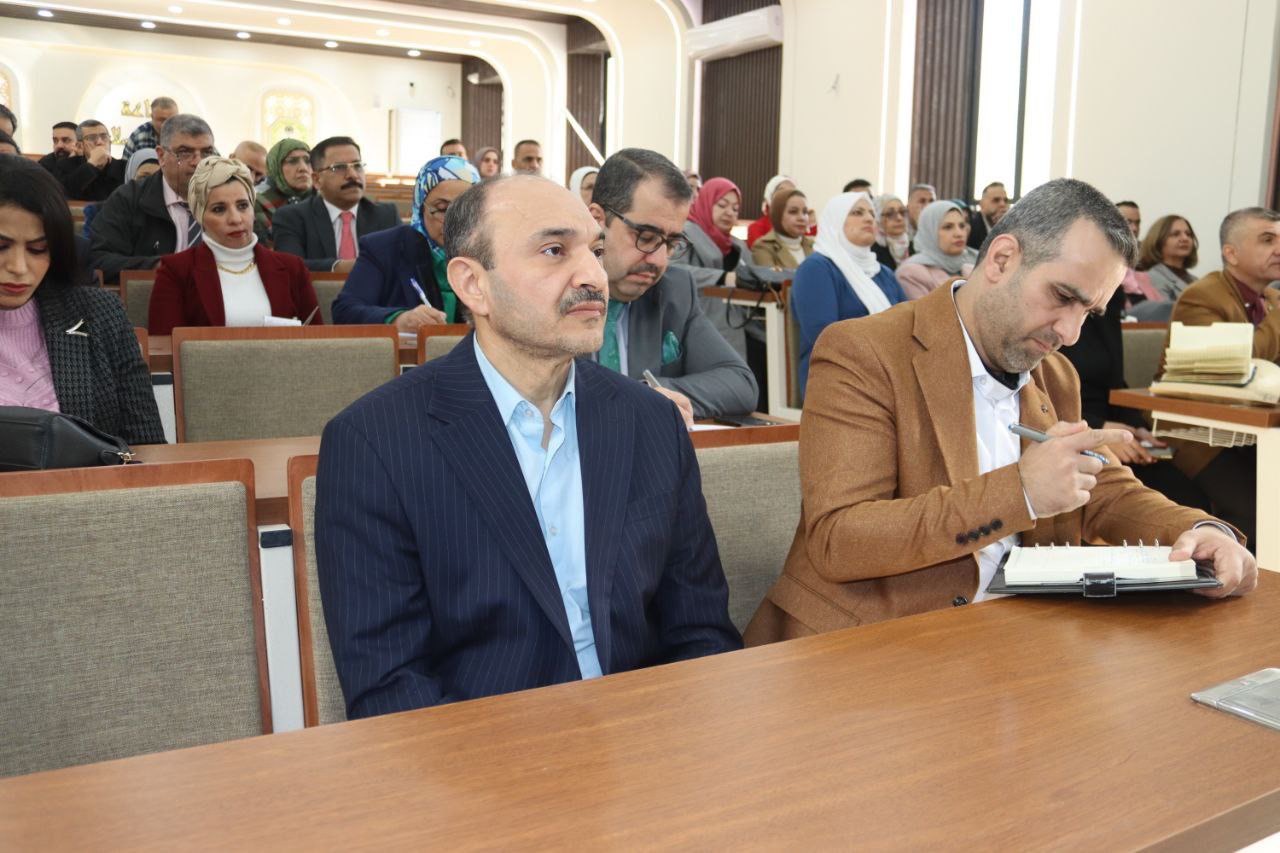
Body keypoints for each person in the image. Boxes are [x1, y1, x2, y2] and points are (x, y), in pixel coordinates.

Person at [742, 178, 1256, 644]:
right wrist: (1021, 492)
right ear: (1002, 259)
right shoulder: (865, 351)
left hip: (1012, 639)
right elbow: (841, 539)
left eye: (1089, 312)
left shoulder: (1056, 374)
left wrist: (1205, 532)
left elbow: (1100, 487)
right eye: (1062, 296)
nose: (1070, 333)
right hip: (869, 643)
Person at [314, 173, 742, 718]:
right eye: (554, 251)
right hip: (481, 749)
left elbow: (702, 634)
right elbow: (390, 687)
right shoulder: (375, 443)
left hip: (646, 734)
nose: (593, 276)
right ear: (473, 285)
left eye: (595, 251)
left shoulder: (651, 422)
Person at [0, 155, 164, 444]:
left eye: (38, 249)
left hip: (93, 474)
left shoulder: (99, 314)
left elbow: (147, 444)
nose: (18, 267)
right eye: (1, 246)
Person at [589, 148, 757, 420]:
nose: (659, 260)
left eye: (671, 243)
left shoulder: (674, 291)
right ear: (597, 220)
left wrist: (649, 394)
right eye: (645, 237)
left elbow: (740, 383)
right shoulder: (553, 291)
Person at [1164, 206, 1280, 549]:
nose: (1279, 249)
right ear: (1231, 253)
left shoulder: (1270, 299)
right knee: (1258, 512)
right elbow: (1240, 363)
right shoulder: (1201, 296)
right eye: (1267, 240)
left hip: (1255, 430)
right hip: (1199, 432)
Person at [1059, 287, 1212, 509]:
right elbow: (1035, 394)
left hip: (1115, 434)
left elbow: (1113, 381)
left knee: (1190, 498)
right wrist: (1099, 430)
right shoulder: (1058, 301)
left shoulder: (1109, 296)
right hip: (1070, 436)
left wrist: (1135, 428)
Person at [149, 157, 321, 335]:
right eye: (219, 209)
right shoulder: (176, 271)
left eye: (243, 206)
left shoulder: (293, 268)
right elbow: (164, 344)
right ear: (200, 216)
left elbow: (318, 340)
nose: (236, 219)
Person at [674, 176, 788, 409]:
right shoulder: (686, 235)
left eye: (735, 208)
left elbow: (752, 275)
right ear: (706, 202)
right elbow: (674, 271)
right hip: (700, 324)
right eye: (722, 205)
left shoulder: (737, 245)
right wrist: (724, 278)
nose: (729, 213)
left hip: (738, 327)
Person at [331, 155, 479, 328]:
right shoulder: (383, 248)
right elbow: (345, 311)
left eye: (465, 210)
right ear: (420, 208)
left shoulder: (491, 250)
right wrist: (398, 319)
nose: (454, 221)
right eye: (442, 209)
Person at [790, 191, 905, 397]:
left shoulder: (883, 273)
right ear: (835, 220)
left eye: (872, 213)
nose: (869, 218)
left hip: (888, 376)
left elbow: (909, 325)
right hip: (837, 381)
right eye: (857, 212)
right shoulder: (817, 269)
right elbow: (826, 338)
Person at [88, 113, 217, 284]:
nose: (198, 162)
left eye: (207, 152)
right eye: (185, 152)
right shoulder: (129, 199)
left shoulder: (227, 197)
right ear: (161, 156)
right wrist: (158, 266)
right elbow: (98, 260)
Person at [270, 136, 399, 274]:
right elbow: (290, 266)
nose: (353, 175)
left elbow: (406, 261)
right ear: (317, 180)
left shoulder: (386, 215)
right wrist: (340, 267)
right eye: (339, 167)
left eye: (357, 166)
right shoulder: (291, 217)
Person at [896, 199, 978, 299]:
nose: (959, 233)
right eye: (948, 227)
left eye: (962, 226)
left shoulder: (971, 269)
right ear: (929, 232)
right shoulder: (910, 274)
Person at [252, 138, 313, 243]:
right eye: (292, 161)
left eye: (308, 161)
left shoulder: (323, 200)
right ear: (275, 167)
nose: (303, 168)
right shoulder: (258, 204)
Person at [56, 120, 126, 202]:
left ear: (110, 142)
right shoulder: (65, 165)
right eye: (91, 138)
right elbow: (64, 193)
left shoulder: (124, 167)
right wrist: (92, 163)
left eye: (104, 137)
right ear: (80, 145)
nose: (100, 142)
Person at [1138, 214, 1199, 301]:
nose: (1185, 238)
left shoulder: (1196, 281)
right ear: (1158, 241)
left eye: (1188, 234)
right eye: (1175, 234)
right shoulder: (1151, 278)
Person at [750, 187, 813, 270]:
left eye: (805, 212)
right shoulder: (763, 247)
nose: (801, 218)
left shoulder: (815, 246)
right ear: (778, 215)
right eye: (793, 212)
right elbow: (770, 277)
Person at [745, 174, 794, 248]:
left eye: (792, 193)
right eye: (782, 191)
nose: (787, 195)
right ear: (770, 195)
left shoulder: (799, 225)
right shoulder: (756, 228)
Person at [870, 193, 911, 271]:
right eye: (890, 214)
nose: (899, 218)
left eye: (902, 212)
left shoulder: (914, 246)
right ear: (877, 218)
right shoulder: (872, 251)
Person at [967, 181, 1009, 249]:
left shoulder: (1011, 228)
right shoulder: (970, 230)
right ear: (982, 204)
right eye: (996, 200)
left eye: (1005, 200)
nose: (1002, 204)